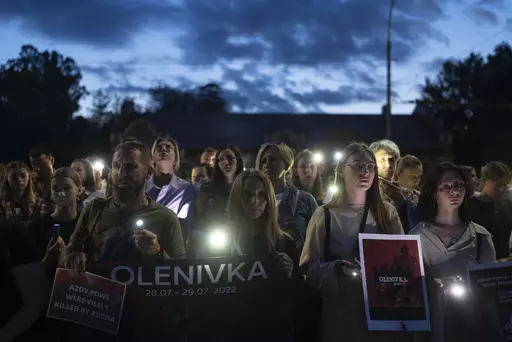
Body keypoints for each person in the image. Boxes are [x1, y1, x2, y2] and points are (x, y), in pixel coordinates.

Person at [300, 142, 404, 342]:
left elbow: (404, 261)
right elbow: (308, 268)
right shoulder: (325, 215)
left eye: (370, 167)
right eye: (357, 165)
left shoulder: (386, 213)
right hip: (341, 314)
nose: (365, 171)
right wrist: (335, 270)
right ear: (341, 171)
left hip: (382, 314)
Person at [409, 162, 501, 342]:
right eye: (447, 186)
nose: (455, 191)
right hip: (435, 325)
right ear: (434, 192)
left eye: (459, 185)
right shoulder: (417, 237)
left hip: (474, 325)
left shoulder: (480, 236)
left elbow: (491, 291)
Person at [65, 140, 186, 270]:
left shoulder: (166, 218)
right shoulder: (94, 208)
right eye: (116, 166)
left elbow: (182, 272)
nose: (122, 173)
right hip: (100, 289)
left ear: (149, 172)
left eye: (130, 167)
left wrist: (158, 252)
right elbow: (71, 249)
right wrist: (76, 256)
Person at [255, 143, 318, 250]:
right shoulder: (253, 200)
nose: (267, 164)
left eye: (273, 160)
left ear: (287, 164)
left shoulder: (305, 199)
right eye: (263, 161)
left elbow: (319, 239)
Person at [146, 137, 197, 240]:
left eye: (168, 147)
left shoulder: (186, 189)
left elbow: (186, 224)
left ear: (175, 158)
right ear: (152, 157)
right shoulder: (141, 187)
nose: (163, 150)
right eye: (159, 148)